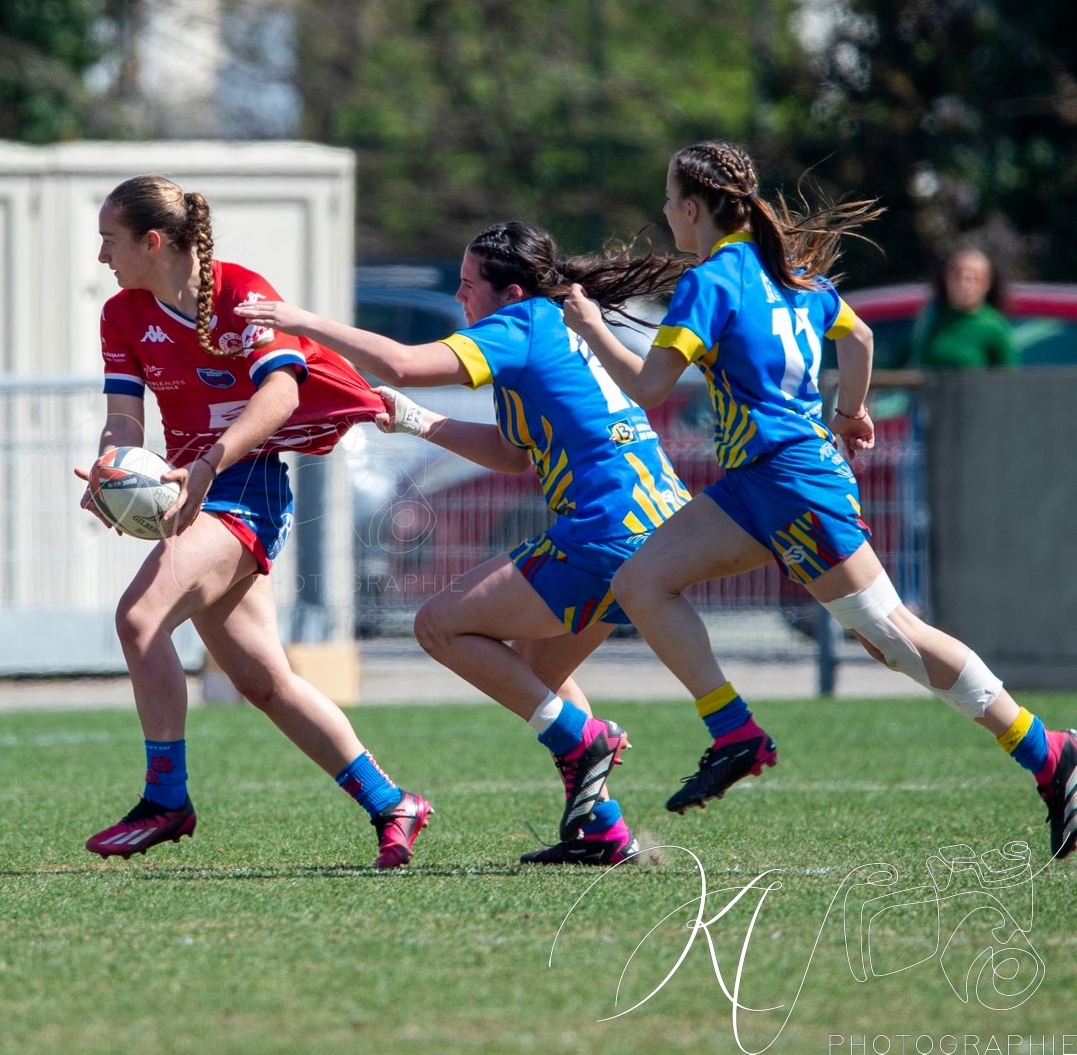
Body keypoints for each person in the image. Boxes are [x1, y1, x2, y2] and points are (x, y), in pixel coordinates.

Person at [560, 139, 1076, 860]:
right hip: (760, 482)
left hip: (789, 483)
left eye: (669, 199)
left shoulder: (714, 280)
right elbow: (858, 337)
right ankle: (734, 731)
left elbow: (648, 391)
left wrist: (591, 329)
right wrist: (850, 412)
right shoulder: (790, 272)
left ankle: (1050, 753)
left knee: (892, 636)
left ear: (693, 207)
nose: (663, 211)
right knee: (643, 581)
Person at [239, 221, 691, 866]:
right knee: (539, 674)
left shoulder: (522, 325)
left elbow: (401, 361)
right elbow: (511, 455)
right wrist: (414, 420)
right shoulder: (552, 329)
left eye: (467, 284)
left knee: (440, 627)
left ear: (508, 292)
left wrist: (300, 320)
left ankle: (582, 741)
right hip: (655, 532)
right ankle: (602, 831)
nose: (459, 297)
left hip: (609, 529)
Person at [74, 175, 433, 869]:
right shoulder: (121, 316)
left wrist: (208, 464)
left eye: (108, 242)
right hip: (192, 488)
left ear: (153, 242)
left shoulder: (238, 291)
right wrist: (109, 472)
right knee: (264, 683)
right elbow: (124, 418)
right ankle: (392, 802)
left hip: (244, 487)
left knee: (140, 618)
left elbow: (281, 389)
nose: (101, 259)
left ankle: (165, 800)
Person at [892, 247, 1019, 370]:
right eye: (958, 276)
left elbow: (1008, 380)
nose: (965, 284)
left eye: (974, 278)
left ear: (987, 283)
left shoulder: (994, 326)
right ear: (946, 278)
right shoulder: (928, 318)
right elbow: (896, 366)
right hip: (932, 391)